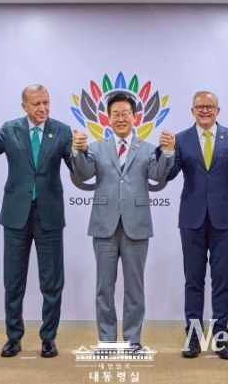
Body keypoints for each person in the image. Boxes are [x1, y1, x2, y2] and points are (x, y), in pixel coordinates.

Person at [71, 91, 175, 350]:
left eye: (125, 114)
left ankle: (132, 340)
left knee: (135, 288)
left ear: (135, 117)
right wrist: (78, 151)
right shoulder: (95, 147)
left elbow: (158, 176)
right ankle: (106, 341)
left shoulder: (148, 149)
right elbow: (83, 174)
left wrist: (168, 152)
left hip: (136, 227)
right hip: (103, 226)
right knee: (104, 288)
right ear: (108, 118)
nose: (120, 118)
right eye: (115, 114)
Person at [0, 84, 73, 358]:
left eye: (46, 102)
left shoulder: (62, 131)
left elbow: (78, 169)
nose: (42, 108)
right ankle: (13, 337)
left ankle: (48, 338)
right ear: (24, 106)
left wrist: (79, 152)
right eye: (36, 104)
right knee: (13, 281)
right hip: (15, 215)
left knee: (52, 282)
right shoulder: (9, 130)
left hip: (49, 215)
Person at [166, 90, 228, 360]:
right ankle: (193, 338)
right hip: (191, 220)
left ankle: (221, 338)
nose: (205, 111)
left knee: (222, 281)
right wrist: (167, 151)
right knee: (193, 282)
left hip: (225, 221)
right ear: (192, 110)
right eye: (200, 107)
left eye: (209, 106)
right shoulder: (181, 139)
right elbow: (169, 174)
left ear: (218, 110)